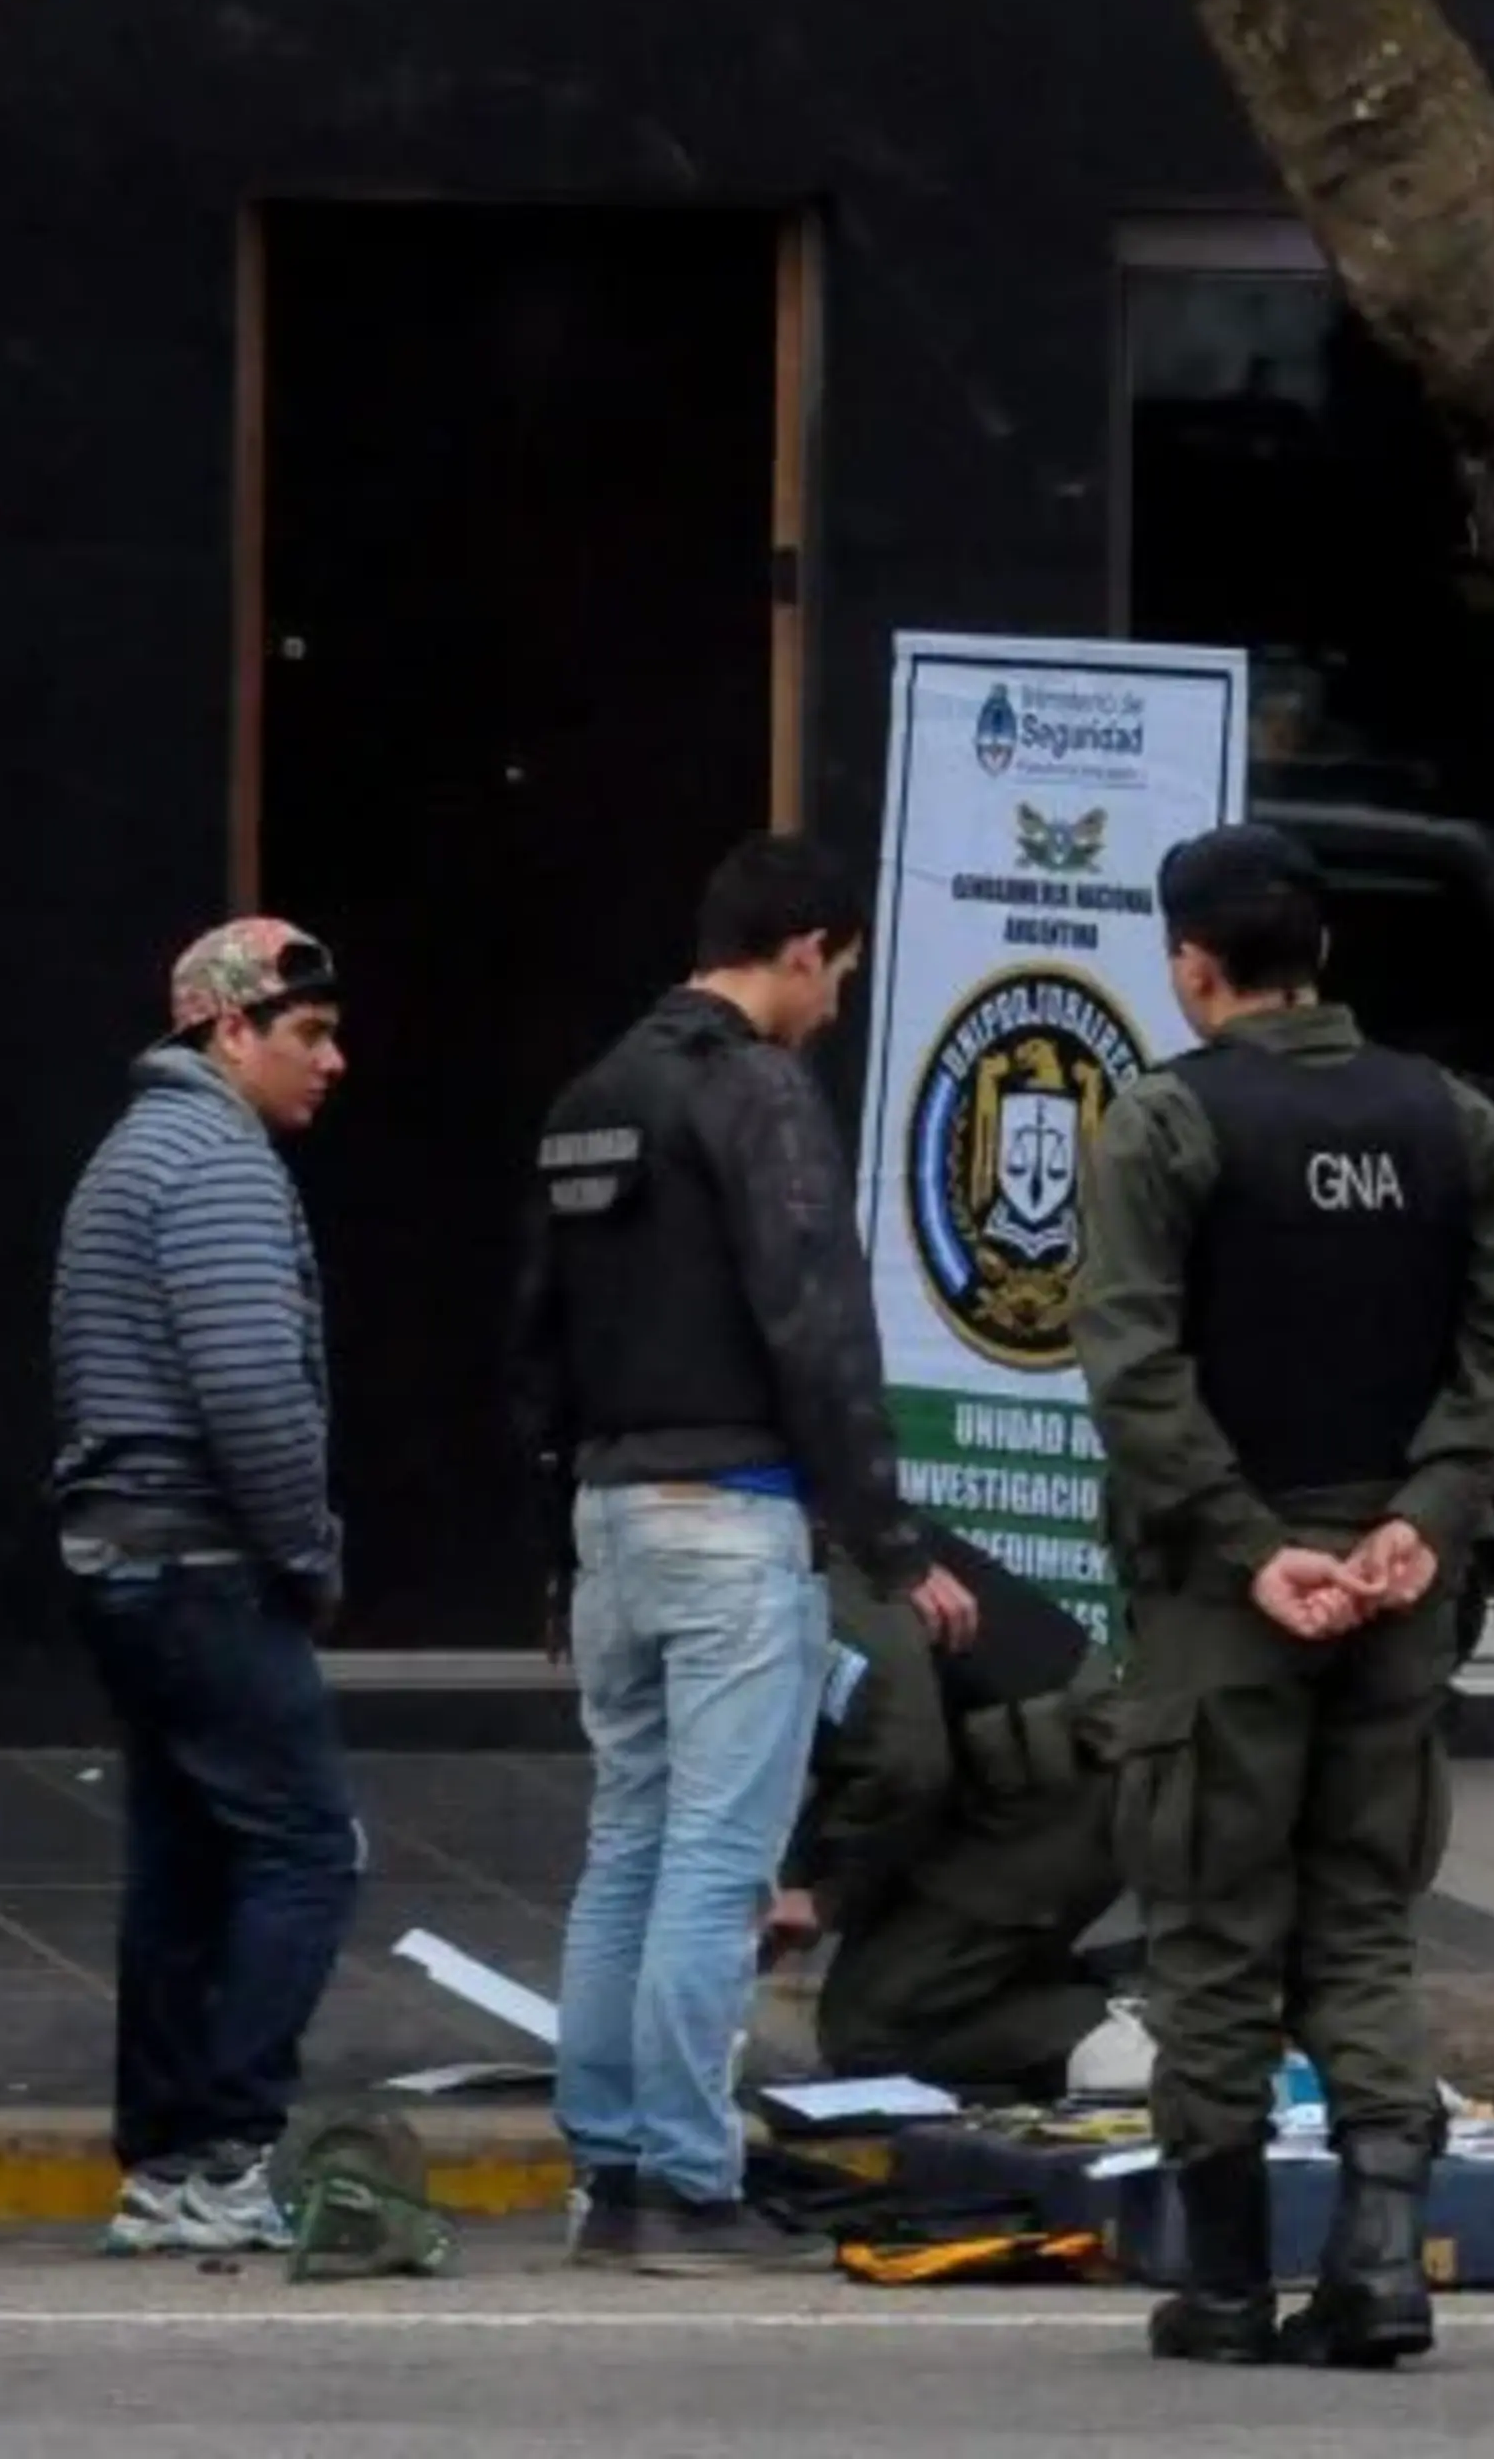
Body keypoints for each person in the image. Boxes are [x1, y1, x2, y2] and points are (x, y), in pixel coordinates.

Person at [1077, 823, 1494, 2371]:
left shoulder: (1166, 1125)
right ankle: (1383, 2261)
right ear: (1324, 956)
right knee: (1361, 1919)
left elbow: (1133, 1370)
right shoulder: (1453, 1120)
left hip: (1232, 1596)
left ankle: (1221, 2282)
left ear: (1192, 968)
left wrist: (1245, 1544)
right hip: (1400, 1586)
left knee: (1212, 1925)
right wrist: (1422, 1520)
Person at [510, 837, 972, 2276]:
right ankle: (691, 2187)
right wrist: (892, 1544)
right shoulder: (756, 1091)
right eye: (837, 971)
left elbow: (534, 1340)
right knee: (717, 1861)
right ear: (801, 948)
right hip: (730, 1514)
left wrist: (554, 1543)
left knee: (626, 1851)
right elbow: (818, 1325)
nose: (834, 1003)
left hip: (607, 1519)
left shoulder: (594, 1093)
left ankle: (609, 2171)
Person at [49, 918, 362, 2261]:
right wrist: (309, 1553)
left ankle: (167, 2161)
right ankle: (227, 2149)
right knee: (308, 1847)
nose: (334, 1061)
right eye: (309, 1034)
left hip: (120, 1558)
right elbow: (252, 1395)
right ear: (228, 1033)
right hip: (202, 1564)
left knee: (181, 1866)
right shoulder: (218, 1166)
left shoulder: (131, 1156)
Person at [773, 1526, 1129, 2101]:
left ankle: (1171, 2021)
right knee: (896, 1981)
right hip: (990, 1786)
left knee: (873, 2033)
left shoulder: (802, 1561)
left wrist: (821, 1893)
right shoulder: (808, 1520)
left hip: (1052, 1792)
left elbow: (900, 1758)